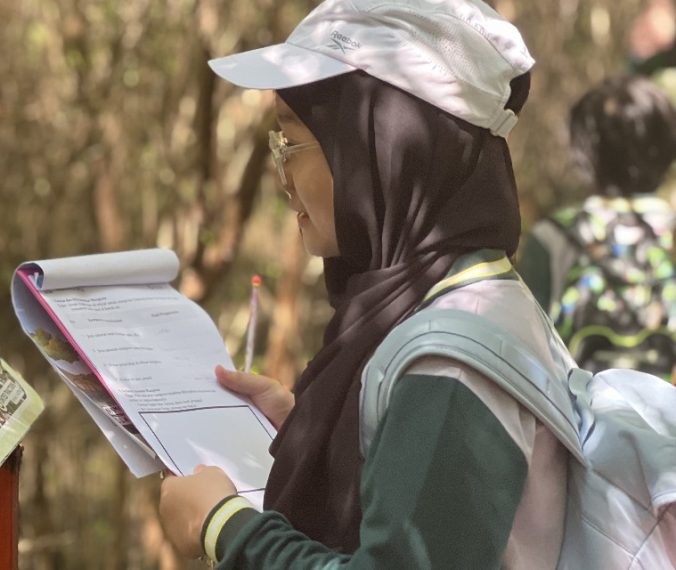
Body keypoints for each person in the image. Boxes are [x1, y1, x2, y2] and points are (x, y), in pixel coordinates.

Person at [156, 0, 571, 567]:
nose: (283, 178)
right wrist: (316, 431)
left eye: (292, 143)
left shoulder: (455, 359)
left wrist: (223, 527)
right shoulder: (462, 300)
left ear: (378, 149)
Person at [517, 76, 676, 379]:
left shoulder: (552, 238)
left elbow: (527, 353)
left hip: (575, 422)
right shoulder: (671, 234)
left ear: (584, 153)